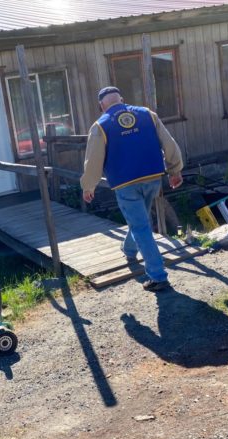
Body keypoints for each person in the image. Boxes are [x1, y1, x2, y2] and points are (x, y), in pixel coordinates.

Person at [80, 86, 183, 291]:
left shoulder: (100, 126)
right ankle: (128, 249)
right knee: (141, 219)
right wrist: (175, 170)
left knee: (141, 226)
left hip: (125, 183)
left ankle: (158, 276)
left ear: (102, 106)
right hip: (153, 178)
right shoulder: (147, 114)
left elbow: (93, 161)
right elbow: (168, 143)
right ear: (122, 99)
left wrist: (88, 186)